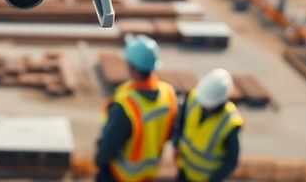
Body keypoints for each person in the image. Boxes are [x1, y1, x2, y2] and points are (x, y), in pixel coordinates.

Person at [95, 35, 177, 182]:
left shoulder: (127, 106)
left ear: (131, 67)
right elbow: (170, 132)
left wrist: (100, 159)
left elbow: (109, 146)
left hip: (120, 175)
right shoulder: (169, 94)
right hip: (149, 173)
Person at [172, 68, 243, 182]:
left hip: (206, 179)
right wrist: (176, 143)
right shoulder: (194, 98)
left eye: (210, 103)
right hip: (183, 169)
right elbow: (180, 123)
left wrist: (214, 179)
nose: (205, 105)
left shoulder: (229, 122)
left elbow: (231, 161)